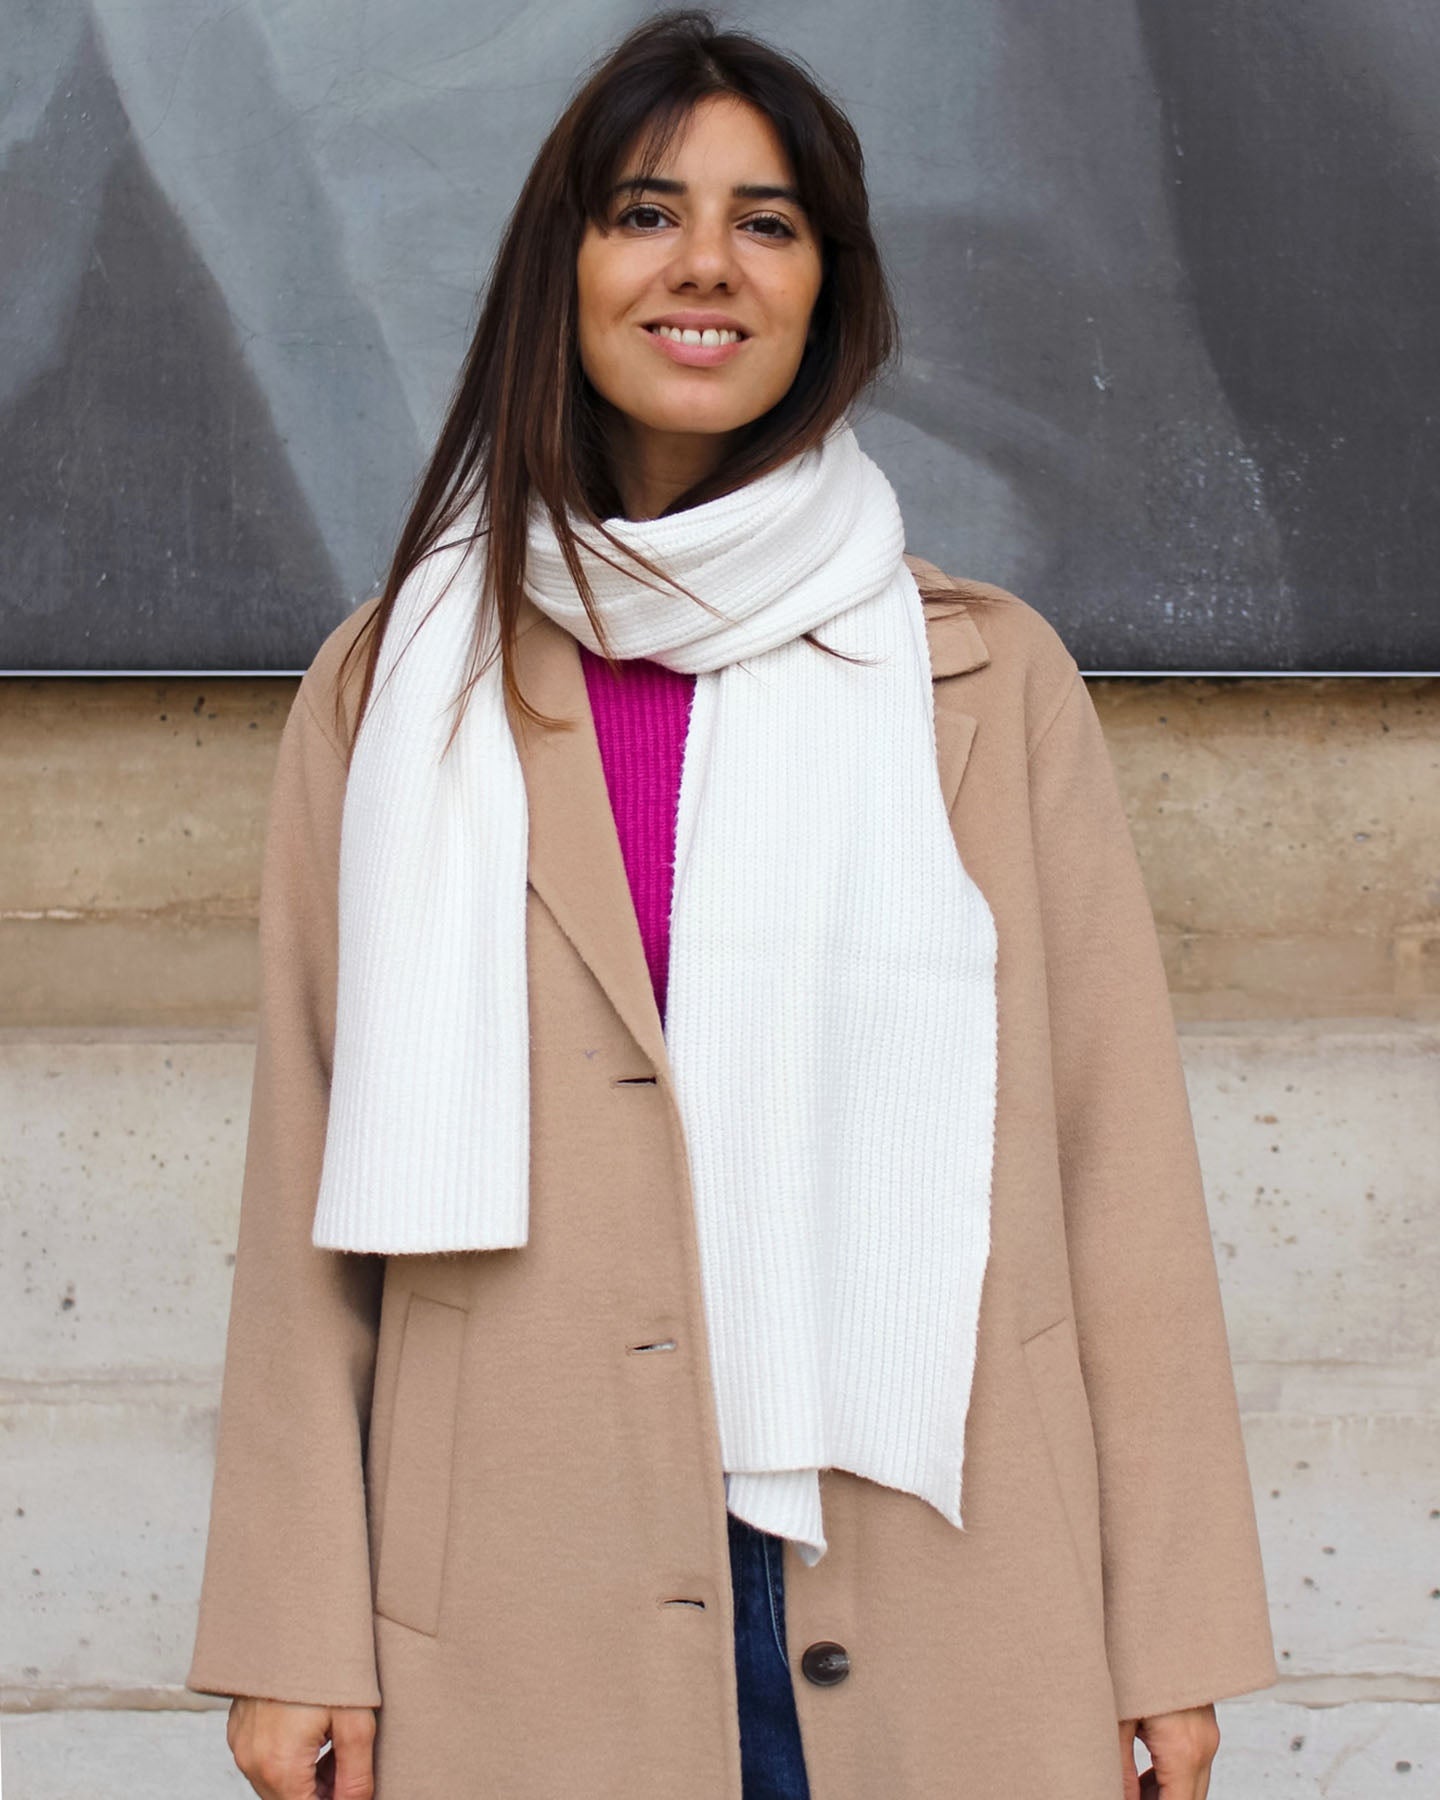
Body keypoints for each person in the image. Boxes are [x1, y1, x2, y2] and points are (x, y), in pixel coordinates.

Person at [185, 11, 1277, 1797]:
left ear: (827, 287)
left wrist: (1169, 1634)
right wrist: (292, 1631)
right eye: (645, 212)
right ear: (567, 266)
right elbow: (309, 1188)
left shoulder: (982, 683)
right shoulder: (397, 687)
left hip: (939, 1574)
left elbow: (1116, 1176)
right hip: (519, 1607)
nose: (707, 265)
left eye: (768, 222)